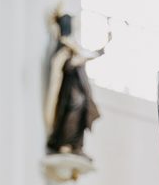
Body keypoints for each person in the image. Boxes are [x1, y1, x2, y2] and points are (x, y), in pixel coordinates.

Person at [43, 8, 110, 157]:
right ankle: (65, 141)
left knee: (82, 106)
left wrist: (101, 50)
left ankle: (74, 144)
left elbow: (85, 56)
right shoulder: (64, 47)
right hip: (69, 90)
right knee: (75, 105)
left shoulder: (75, 48)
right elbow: (64, 66)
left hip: (78, 87)